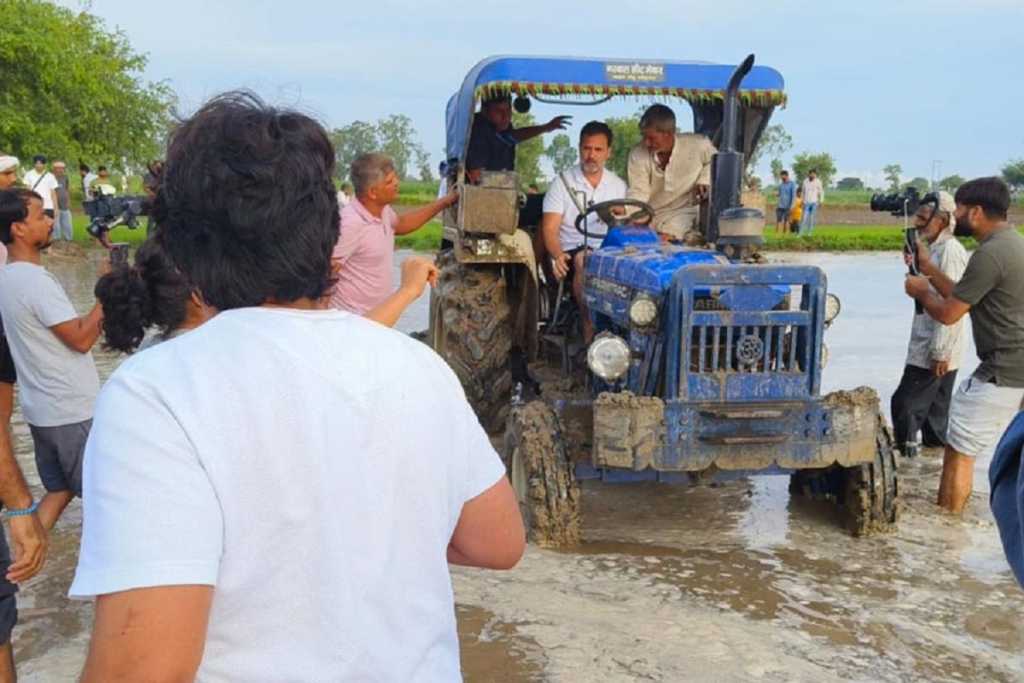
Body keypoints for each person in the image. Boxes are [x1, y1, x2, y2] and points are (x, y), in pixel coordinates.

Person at [71, 91, 523, 682]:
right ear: (325, 229)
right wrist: (363, 531)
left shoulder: (157, 391)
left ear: (185, 249)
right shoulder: (418, 367)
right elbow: (498, 542)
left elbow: (142, 669)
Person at [905, 177, 1024, 514]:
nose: (955, 216)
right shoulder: (1012, 244)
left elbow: (949, 313)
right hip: (1019, 367)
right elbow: (963, 294)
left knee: (959, 451)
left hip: (1002, 370)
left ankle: (948, 526)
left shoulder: (989, 254)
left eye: (958, 208)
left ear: (976, 211)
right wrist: (928, 268)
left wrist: (921, 291)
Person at [95, 238, 438, 352]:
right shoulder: (225, 349)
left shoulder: (152, 351)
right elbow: (344, 347)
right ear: (198, 295)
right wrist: (408, 290)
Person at [0, 189, 104, 531]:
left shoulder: (6, 278)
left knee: (60, 490)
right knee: (110, 497)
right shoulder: (34, 281)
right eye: (41, 215)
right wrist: (107, 290)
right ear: (18, 229)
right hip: (71, 410)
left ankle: (21, 566)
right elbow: (82, 339)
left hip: (42, 412)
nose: (49, 221)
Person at [890, 192, 968, 458]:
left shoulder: (950, 252)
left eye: (924, 217)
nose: (918, 222)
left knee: (905, 407)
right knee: (935, 420)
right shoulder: (933, 249)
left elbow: (954, 302)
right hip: (938, 347)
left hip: (933, 349)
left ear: (943, 220)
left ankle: (906, 466)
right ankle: (932, 469)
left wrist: (940, 351)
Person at [329, 152, 456, 315]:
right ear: (373, 192)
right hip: (353, 320)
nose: (397, 183)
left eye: (395, 177)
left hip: (377, 317)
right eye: (389, 181)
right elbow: (327, 269)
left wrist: (444, 202)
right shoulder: (350, 224)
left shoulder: (383, 211)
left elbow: (401, 224)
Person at [541, 121, 627, 342]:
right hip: (573, 251)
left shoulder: (618, 185)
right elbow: (550, 229)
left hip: (609, 250)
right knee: (585, 260)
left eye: (598, 149)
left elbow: (628, 223)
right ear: (579, 148)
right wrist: (558, 255)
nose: (591, 155)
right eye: (587, 148)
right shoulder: (562, 183)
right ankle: (590, 329)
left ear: (608, 152)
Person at [625, 104, 716, 245]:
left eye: (651, 138)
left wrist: (704, 179)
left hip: (684, 211)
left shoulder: (699, 144)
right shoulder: (637, 154)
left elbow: (716, 162)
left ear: (669, 133)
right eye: (644, 137)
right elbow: (639, 192)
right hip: (650, 214)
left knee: (666, 243)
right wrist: (629, 214)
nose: (646, 143)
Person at [465, 93, 570, 182]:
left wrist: (546, 127)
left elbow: (513, 136)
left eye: (508, 110)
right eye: (498, 111)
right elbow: (477, 177)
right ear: (485, 111)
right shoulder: (478, 131)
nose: (505, 116)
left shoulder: (500, 127)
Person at [52, 161, 73, 241]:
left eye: (62, 168)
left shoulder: (65, 178)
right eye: (59, 168)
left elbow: (67, 190)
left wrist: (68, 200)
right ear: (54, 169)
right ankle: (56, 239)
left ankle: (69, 239)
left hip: (64, 204)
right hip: (54, 204)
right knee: (55, 223)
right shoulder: (50, 178)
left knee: (67, 223)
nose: (61, 170)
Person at [800, 169, 824, 235]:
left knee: (811, 218)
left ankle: (809, 233)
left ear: (815, 175)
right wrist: (802, 200)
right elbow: (803, 192)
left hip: (814, 203)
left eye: (814, 174)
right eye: (811, 174)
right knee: (804, 218)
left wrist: (821, 201)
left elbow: (821, 192)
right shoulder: (805, 181)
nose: (813, 175)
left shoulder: (818, 181)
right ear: (809, 174)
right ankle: (800, 233)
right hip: (806, 202)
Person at [775, 170, 796, 234]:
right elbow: (779, 194)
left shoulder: (792, 184)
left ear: (786, 176)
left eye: (782, 176)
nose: (781, 178)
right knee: (779, 220)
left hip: (788, 206)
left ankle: (785, 235)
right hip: (780, 205)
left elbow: (793, 195)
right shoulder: (781, 185)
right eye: (781, 176)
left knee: (786, 221)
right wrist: (777, 194)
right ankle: (777, 235)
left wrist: (792, 205)